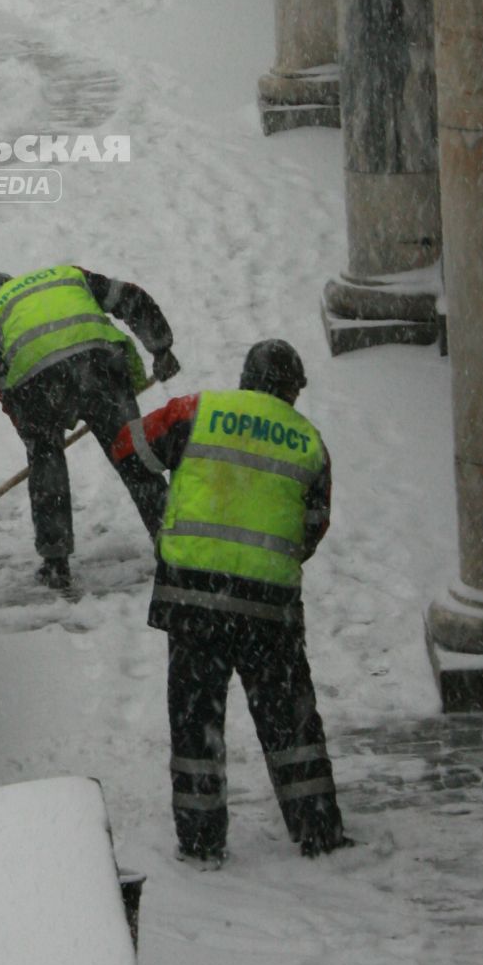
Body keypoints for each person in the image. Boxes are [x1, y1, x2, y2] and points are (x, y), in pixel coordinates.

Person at [111, 338, 350, 866]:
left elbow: (128, 446)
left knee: (196, 720)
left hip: (193, 596)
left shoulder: (197, 411)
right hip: (269, 605)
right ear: (291, 389)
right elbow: (314, 525)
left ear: (246, 378)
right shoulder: (310, 442)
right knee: (289, 717)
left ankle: (201, 842)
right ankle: (317, 830)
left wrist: (164, 515)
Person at [0, 265, 180, 588]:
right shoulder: (66, 275)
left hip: (40, 384)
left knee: (47, 466)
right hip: (101, 367)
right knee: (132, 455)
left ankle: (56, 565)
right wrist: (161, 347)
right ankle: (178, 549)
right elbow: (129, 297)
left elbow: (7, 392)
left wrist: (39, 442)